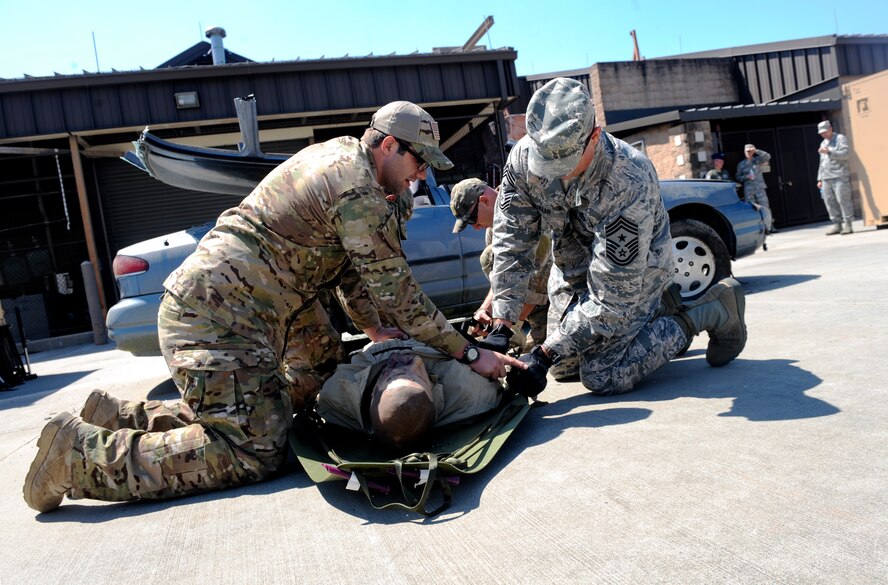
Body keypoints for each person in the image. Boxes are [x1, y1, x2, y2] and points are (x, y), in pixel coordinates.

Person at [23, 100, 525, 513]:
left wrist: (372, 332)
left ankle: (118, 414)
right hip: (217, 320)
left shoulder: (339, 157)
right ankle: (77, 456)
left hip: (257, 310)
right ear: (389, 145)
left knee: (314, 382)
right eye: (417, 163)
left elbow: (350, 272)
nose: (417, 177)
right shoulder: (358, 190)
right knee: (253, 449)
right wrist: (469, 354)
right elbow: (399, 293)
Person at [487, 77, 748, 398]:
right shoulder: (524, 160)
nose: (553, 172)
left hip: (635, 277)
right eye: (547, 162)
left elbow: (611, 297)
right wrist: (502, 323)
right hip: (573, 271)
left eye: (565, 163)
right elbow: (512, 241)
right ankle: (654, 315)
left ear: (594, 136)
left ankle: (710, 310)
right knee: (563, 369)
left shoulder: (627, 178)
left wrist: (544, 353)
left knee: (603, 374)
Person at [316, 338, 505, 449]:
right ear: (431, 391)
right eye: (417, 378)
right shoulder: (467, 391)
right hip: (428, 338)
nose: (405, 362)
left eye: (391, 376)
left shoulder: (336, 395)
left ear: (374, 393)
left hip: (376, 339)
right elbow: (499, 382)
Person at [450, 177, 552, 352]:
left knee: (562, 367)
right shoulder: (493, 226)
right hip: (540, 295)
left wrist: (503, 329)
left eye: (473, 219)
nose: (475, 227)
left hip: (569, 286)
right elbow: (502, 277)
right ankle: (536, 333)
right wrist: (486, 310)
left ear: (484, 201)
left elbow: (537, 275)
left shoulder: (523, 208)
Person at [816, 120, 854, 236]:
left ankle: (848, 224)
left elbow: (845, 154)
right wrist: (820, 179)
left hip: (839, 175)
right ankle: (837, 224)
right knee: (829, 201)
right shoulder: (823, 143)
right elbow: (822, 162)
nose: (824, 135)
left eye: (825, 132)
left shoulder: (840, 139)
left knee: (843, 199)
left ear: (831, 129)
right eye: (821, 133)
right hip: (826, 177)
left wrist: (829, 152)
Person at [736, 144, 777, 233]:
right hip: (749, 190)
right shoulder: (741, 164)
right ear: (744, 152)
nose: (749, 153)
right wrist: (747, 177)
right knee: (751, 209)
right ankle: (754, 229)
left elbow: (767, 156)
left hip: (760, 188)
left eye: (750, 151)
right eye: (747, 151)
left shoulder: (757, 160)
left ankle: (769, 227)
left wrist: (756, 151)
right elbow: (738, 177)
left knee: (765, 207)